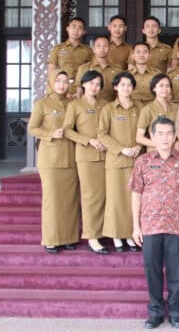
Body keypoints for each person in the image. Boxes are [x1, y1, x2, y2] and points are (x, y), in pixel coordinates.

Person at [130, 117, 179, 330]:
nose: (165, 138)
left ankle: (176, 312)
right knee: (153, 270)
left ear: (175, 136)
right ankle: (156, 312)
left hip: (177, 225)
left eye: (169, 133)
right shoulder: (143, 161)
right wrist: (135, 225)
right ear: (152, 136)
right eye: (160, 133)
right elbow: (136, 194)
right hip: (150, 225)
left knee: (175, 271)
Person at [28, 71, 79, 253]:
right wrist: (50, 134)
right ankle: (51, 238)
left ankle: (69, 238)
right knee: (53, 199)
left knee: (70, 200)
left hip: (71, 155)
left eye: (66, 81)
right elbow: (32, 128)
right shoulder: (42, 103)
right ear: (51, 82)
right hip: (50, 158)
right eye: (58, 81)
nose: (62, 85)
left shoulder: (72, 103)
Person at [63, 70, 109, 254]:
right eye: (91, 83)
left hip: (106, 155)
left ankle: (104, 231)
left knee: (106, 196)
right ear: (83, 84)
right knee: (91, 197)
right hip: (86, 156)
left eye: (98, 84)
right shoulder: (75, 105)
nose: (94, 87)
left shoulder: (105, 104)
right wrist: (88, 140)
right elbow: (67, 130)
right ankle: (92, 236)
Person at [98, 71, 142, 253]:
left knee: (133, 199)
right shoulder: (109, 109)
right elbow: (102, 133)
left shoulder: (139, 107)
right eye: (122, 85)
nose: (126, 88)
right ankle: (117, 236)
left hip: (136, 160)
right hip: (116, 161)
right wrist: (121, 149)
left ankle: (132, 235)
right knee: (116, 200)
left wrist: (139, 146)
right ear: (115, 87)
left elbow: (145, 131)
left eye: (129, 85)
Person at [46, 17, 92, 96]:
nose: (76, 30)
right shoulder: (58, 48)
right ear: (68, 29)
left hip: (81, 91)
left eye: (80, 28)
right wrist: (60, 90)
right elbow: (52, 72)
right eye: (73, 27)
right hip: (61, 88)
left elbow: (91, 72)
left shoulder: (88, 51)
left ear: (84, 32)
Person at [136, 73, 179, 152]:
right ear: (154, 88)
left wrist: (178, 142)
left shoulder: (176, 108)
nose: (165, 88)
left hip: (174, 152)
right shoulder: (147, 109)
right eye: (161, 85)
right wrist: (160, 144)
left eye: (167, 86)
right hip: (155, 152)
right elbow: (139, 137)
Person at [75, 36, 119, 101]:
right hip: (89, 108)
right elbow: (79, 93)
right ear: (93, 49)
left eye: (105, 46)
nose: (102, 49)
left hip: (110, 108)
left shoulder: (117, 70)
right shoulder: (84, 68)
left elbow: (119, 94)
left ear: (109, 48)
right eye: (98, 46)